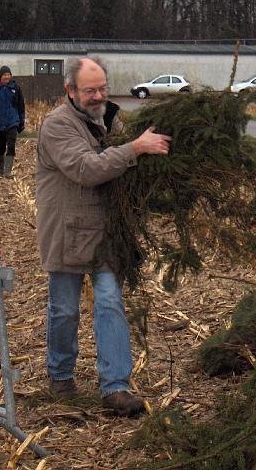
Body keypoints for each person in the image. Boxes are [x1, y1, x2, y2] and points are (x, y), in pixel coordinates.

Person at [35, 56, 171, 417]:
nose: (98, 96)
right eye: (89, 90)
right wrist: (135, 149)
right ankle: (60, 376)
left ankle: (115, 387)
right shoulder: (57, 125)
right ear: (70, 90)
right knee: (64, 309)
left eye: (102, 89)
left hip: (104, 233)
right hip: (67, 232)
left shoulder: (109, 121)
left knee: (109, 302)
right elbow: (86, 169)